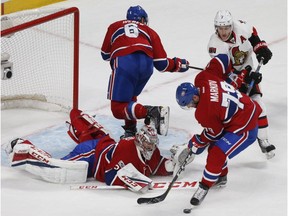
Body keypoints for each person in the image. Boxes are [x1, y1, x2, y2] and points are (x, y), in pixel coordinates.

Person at [6, 109, 185, 193]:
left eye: (153, 145)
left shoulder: (150, 151)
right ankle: (21, 145)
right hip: (92, 154)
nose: (151, 148)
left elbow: (157, 165)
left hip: (104, 143)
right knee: (62, 168)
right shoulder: (126, 149)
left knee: (94, 138)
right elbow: (108, 176)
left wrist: (173, 164)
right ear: (139, 141)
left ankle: (83, 126)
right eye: (148, 145)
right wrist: (133, 180)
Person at [174, 56, 262, 206]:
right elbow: (222, 59)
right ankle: (220, 177)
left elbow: (214, 133)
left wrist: (196, 143)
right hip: (244, 109)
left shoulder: (203, 112)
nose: (190, 107)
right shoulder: (203, 78)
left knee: (217, 152)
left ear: (195, 97)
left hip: (245, 126)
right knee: (215, 147)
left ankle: (205, 186)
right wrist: (231, 75)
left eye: (189, 104)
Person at [101, 5, 190, 138]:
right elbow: (161, 64)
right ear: (143, 20)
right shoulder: (149, 31)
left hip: (125, 63)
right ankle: (130, 130)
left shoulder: (115, 26)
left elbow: (105, 54)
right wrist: (178, 64)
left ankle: (151, 111)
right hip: (146, 66)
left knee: (117, 108)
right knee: (130, 98)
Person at [207, 10, 275, 159]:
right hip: (229, 80)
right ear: (216, 27)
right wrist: (245, 78)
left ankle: (263, 139)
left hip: (247, 70)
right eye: (220, 28)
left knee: (260, 107)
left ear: (231, 25)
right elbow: (226, 72)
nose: (223, 32)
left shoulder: (241, 27)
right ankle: (218, 140)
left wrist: (260, 49)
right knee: (231, 114)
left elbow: (254, 36)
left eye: (226, 27)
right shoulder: (215, 45)